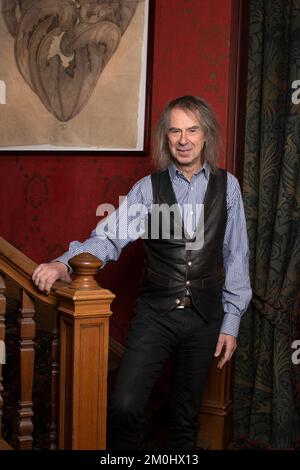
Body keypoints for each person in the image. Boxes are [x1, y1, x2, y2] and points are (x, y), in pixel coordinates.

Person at [32, 95, 252, 450]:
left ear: (206, 135)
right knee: (124, 406)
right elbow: (107, 238)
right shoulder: (149, 190)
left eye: (192, 130)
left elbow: (236, 255)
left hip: (205, 316)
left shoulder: (229, 187)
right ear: (166, 138)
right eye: (175, 131)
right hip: (156, 315)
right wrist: (63, 263)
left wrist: (231, 322)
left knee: (185, 417)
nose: (183, 139)